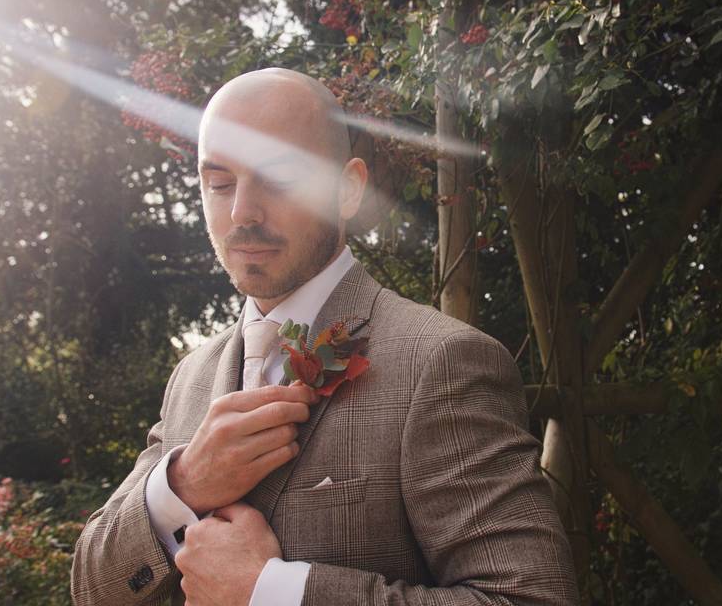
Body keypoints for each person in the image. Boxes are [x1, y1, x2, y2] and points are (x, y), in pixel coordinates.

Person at [70, 68, 578, 605]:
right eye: (219, 184)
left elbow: (533, 598)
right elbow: (92, 590)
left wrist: (271, 592)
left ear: (348, 188)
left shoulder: (442, 361)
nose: (241, 212)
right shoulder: (190, 377)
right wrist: (184, 485)